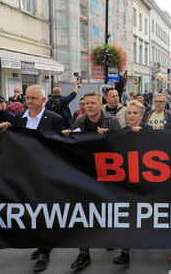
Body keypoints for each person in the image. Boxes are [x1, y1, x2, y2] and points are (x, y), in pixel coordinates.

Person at [2, 85, 64, 271]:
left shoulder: (55, 119)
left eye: (33, 98)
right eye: (27, 98)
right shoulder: (19, 119)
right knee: (30, 209)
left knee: (43, 210)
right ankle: (42, 243)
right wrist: (5, 130)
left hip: (46, 172)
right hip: (26, 171)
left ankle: (44, 249)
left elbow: (64, 144)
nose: (29, 101)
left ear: (43, 100)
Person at [64, 92, 121, 271]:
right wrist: (66, 136)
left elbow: (122, 145)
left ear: (100, 104)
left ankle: (111, 237)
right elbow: (73, 147)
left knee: (108, 210)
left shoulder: (111, 121)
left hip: (108, 173)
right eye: (86, 103)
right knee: (84, 212)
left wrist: (108, 136)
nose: (89, 106)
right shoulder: (79, 122)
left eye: (93, 103)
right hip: (86, 173)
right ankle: (83, 253)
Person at [112, 100, 153, 266]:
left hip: (146, 179)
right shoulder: (122, 131)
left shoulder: (148, 130)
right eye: (129, 113)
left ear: (142, 116)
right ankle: (125, 252)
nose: (131, 116)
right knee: (127, 214)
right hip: (127, 179)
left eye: (135, 113)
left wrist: (140, 134)